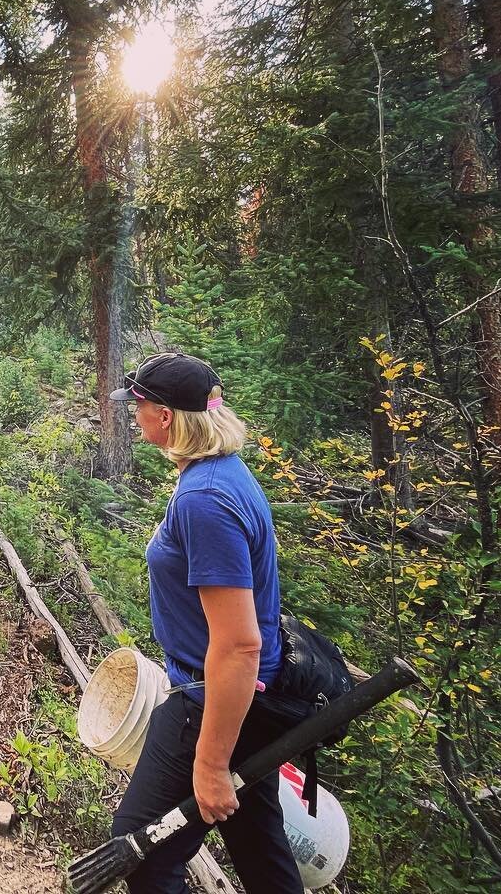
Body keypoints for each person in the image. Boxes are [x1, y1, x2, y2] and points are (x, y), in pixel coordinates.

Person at [105, 352, 298, 893]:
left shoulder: (205, 500)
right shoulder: (222, 474)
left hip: (210, 698)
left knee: (141, 855)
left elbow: (238, 645)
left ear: (165, 416)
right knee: (259, 848)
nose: (134, 414)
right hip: (245, 698)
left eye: (138, 405)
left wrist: (211, 762)